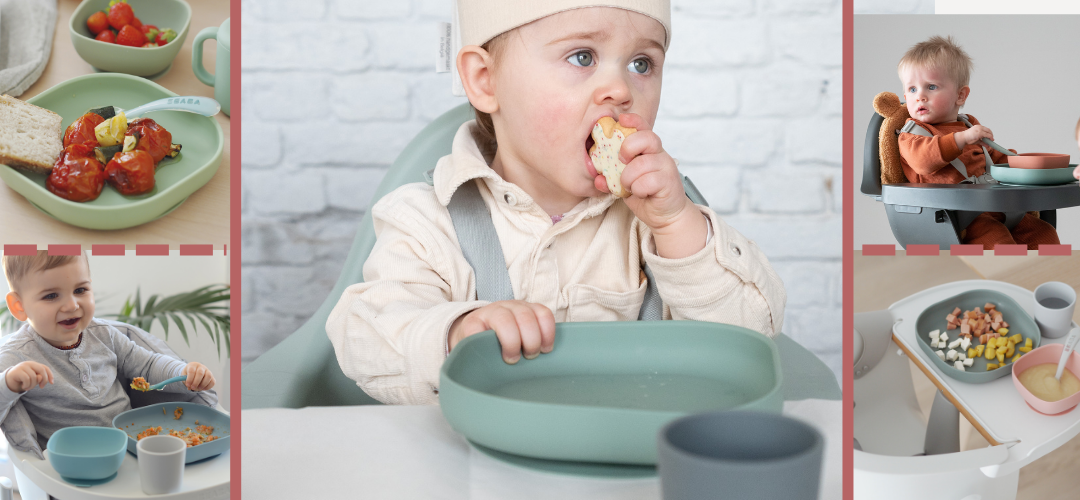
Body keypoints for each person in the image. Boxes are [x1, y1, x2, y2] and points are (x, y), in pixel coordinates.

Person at [327, 0, 786, 405]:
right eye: (582, 57)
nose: (621, 89)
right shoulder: (427, 221)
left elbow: (749, 343)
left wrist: (676, 226)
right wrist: (456, 332)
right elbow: (365, 338)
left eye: (641, 63)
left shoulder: (659, 223)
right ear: (485, 81)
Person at [1, 252, 216, 452]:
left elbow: (148, 365)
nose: (72, 305)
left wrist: (184, 373)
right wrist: (9, 383)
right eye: (51, 296)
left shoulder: (105, 334)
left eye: (80, 290)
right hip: (71, 460)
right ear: (19, 306)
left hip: (129, 443)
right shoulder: (16, 355)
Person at [896, 35, 1058, 250]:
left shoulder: (967, 125)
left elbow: (992, 157)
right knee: (997, 240)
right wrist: (961, 139)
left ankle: (1050, 272)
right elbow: (922, 161)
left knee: (1044, 233)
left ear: (960, 95)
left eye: (931, 87)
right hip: (956, 216)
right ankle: (1005, 273)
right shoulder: (912, 133)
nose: (920, 96)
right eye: (912, 89)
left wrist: (1022, 164)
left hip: (993, 205)